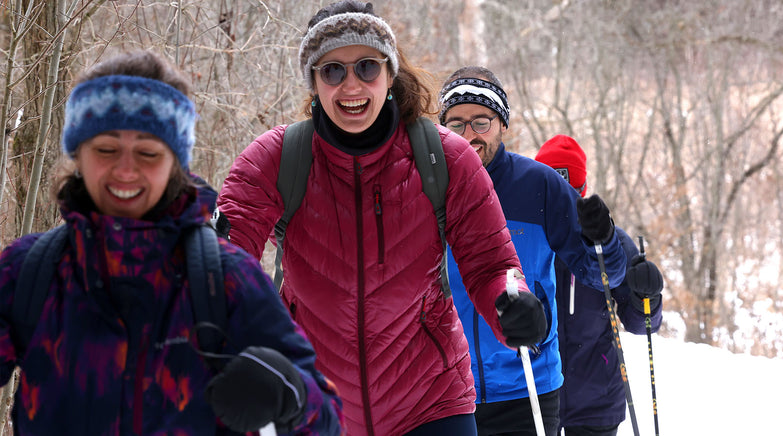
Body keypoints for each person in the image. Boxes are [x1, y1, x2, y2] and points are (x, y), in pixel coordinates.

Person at [216, 2, 548, 435]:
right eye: (332, 70)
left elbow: (491, 264)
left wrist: (512, 302)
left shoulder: (444, 158)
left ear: (390, 75)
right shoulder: (278, 158)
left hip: (431, 402)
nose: (351, 85)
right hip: (316, 404)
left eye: (367, 67)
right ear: (314, 83)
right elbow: (226, 258)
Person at [0, 50, 344, 435]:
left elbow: (325, 417)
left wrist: (289, 394)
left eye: (148, 153)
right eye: (106, 149)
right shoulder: (29, 272)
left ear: (175, 163)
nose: (126, 169)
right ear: (78, 154)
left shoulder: (225, 280)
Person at [438, 67, 629, 436]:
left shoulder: (538, 185)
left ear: (502, 123)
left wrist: (603, 241)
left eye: (481, 121)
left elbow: (603, 276)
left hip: (527, 384)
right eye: (456, 123)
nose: (469, 134)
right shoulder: (426, 188)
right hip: (446, 387)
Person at [535, 135, 664, 436]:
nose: (563, 202)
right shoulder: (523, 237)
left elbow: (642, 323)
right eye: (553, 192)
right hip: (535, 397)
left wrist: (649, 296)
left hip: (597, 401)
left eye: (572, 191)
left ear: (583, 191)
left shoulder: (612, 241)